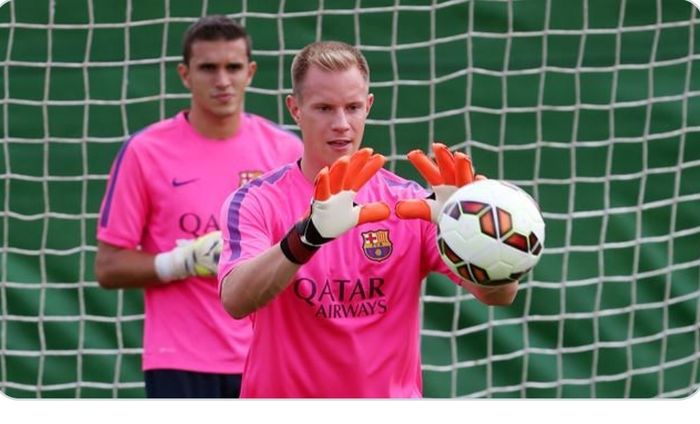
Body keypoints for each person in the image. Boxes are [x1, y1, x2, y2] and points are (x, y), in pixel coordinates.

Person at [218, 40, 518, 398]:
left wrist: (468, 227)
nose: (341, 124)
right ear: (295, 109)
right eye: (324, 108)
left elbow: (498, 294)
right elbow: (235, 299)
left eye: (353, 107)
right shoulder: (256, 200)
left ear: (369, 106)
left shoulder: (409, 203)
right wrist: (307, 236)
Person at [94, 15, 303, 398]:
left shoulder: (288, 151)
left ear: (251, 72)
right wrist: (183, 261)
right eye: (208, 68)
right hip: (178, 360)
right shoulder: (146, 152)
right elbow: (108, 267)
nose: (222, 80)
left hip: (270, 354)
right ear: (185, 74)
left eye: (233, 67)